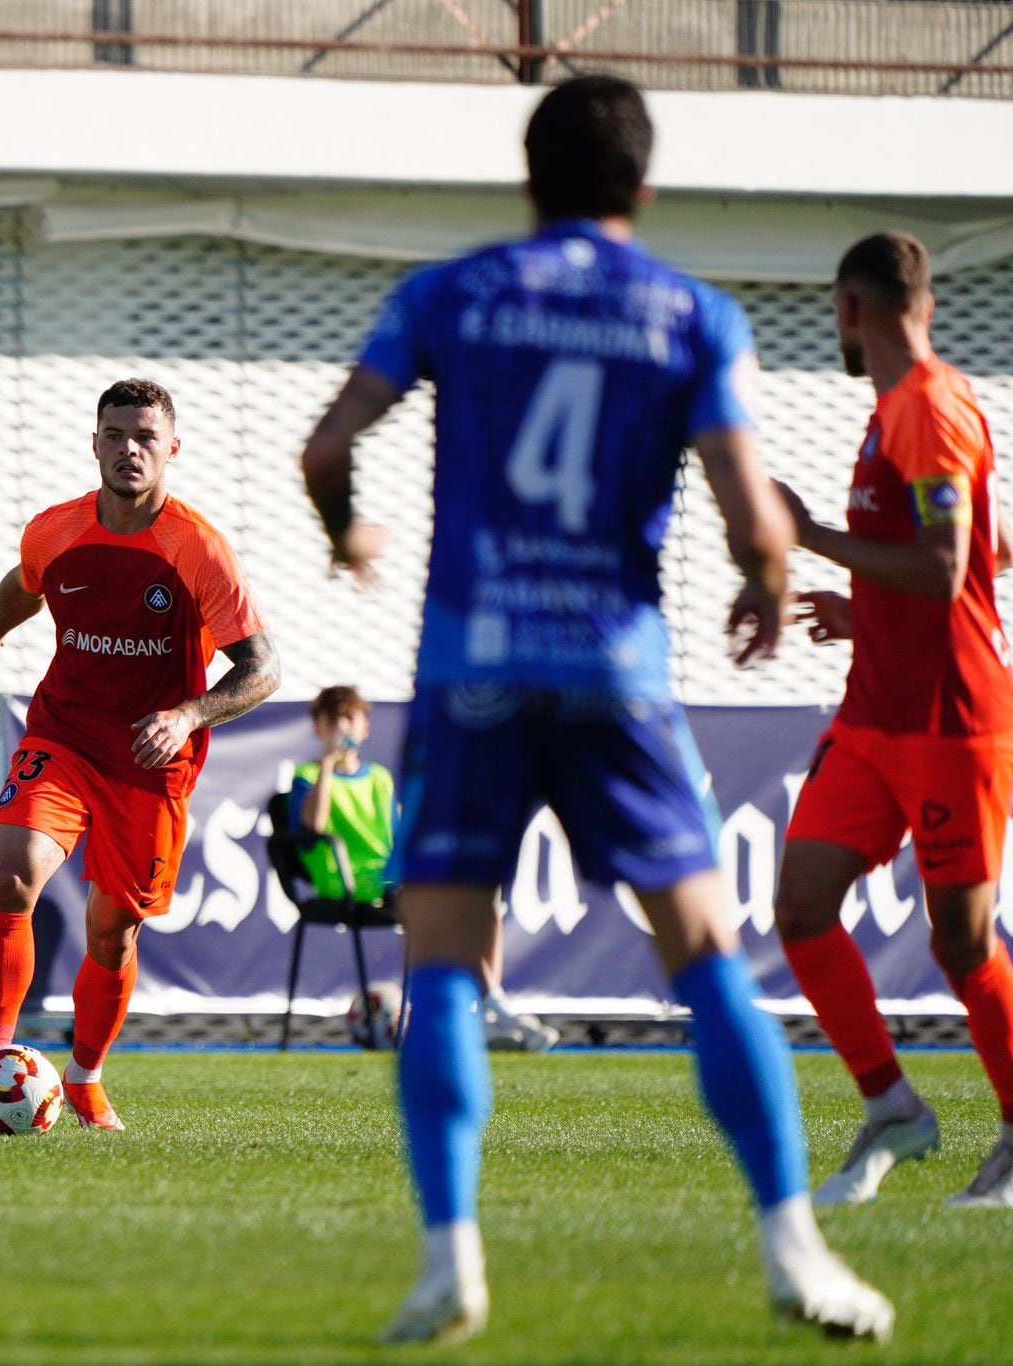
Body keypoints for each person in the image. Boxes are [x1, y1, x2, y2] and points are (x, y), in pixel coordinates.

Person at [299, 76, 890, 1343]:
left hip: (472, 673)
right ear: (646, 187)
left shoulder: (450, 295)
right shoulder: (689, 314)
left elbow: (323, 444)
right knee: (703, 956)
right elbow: (746, 512)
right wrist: (766, 586)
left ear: (527, 179)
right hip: (614, 674)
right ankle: (793, 1248)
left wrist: (345, 529)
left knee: (445, 968)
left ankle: (448, 1259)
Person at [0, 377, 280, 1131]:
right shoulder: (56, 529)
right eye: (115, 435)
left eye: (145, 438)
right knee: (14, 876)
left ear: (171, 449)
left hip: (150, 759)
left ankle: (86, 1080)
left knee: (114, 931)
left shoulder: (199, 551)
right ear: (94, 442)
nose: (129, 449)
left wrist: (189, 712)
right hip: (64, 732)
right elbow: (27, 583)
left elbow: (262, 669)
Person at [771, 231, 1013, 1210]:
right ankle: (892, 1108)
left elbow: (945, 565)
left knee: (957, 942)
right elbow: (985, 552)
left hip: (952, 722)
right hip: (875, 714)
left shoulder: (923, 410)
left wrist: (809, 539)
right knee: (798, 908)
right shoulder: (892, 415)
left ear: (850, 308)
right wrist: (859, 612)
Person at [292, 686, 557, 1051]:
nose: (342, 728)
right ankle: (493, 1008)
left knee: (485, 908)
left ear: (365, 728)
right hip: (346, 883)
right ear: (318, 728)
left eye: (350, 719)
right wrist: (326, 767)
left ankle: (483, 1010)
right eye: (332, 720)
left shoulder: (380, 779)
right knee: (449, 913)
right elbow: (315, 828)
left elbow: (398, 835)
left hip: (388, 880)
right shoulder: (307, 775)